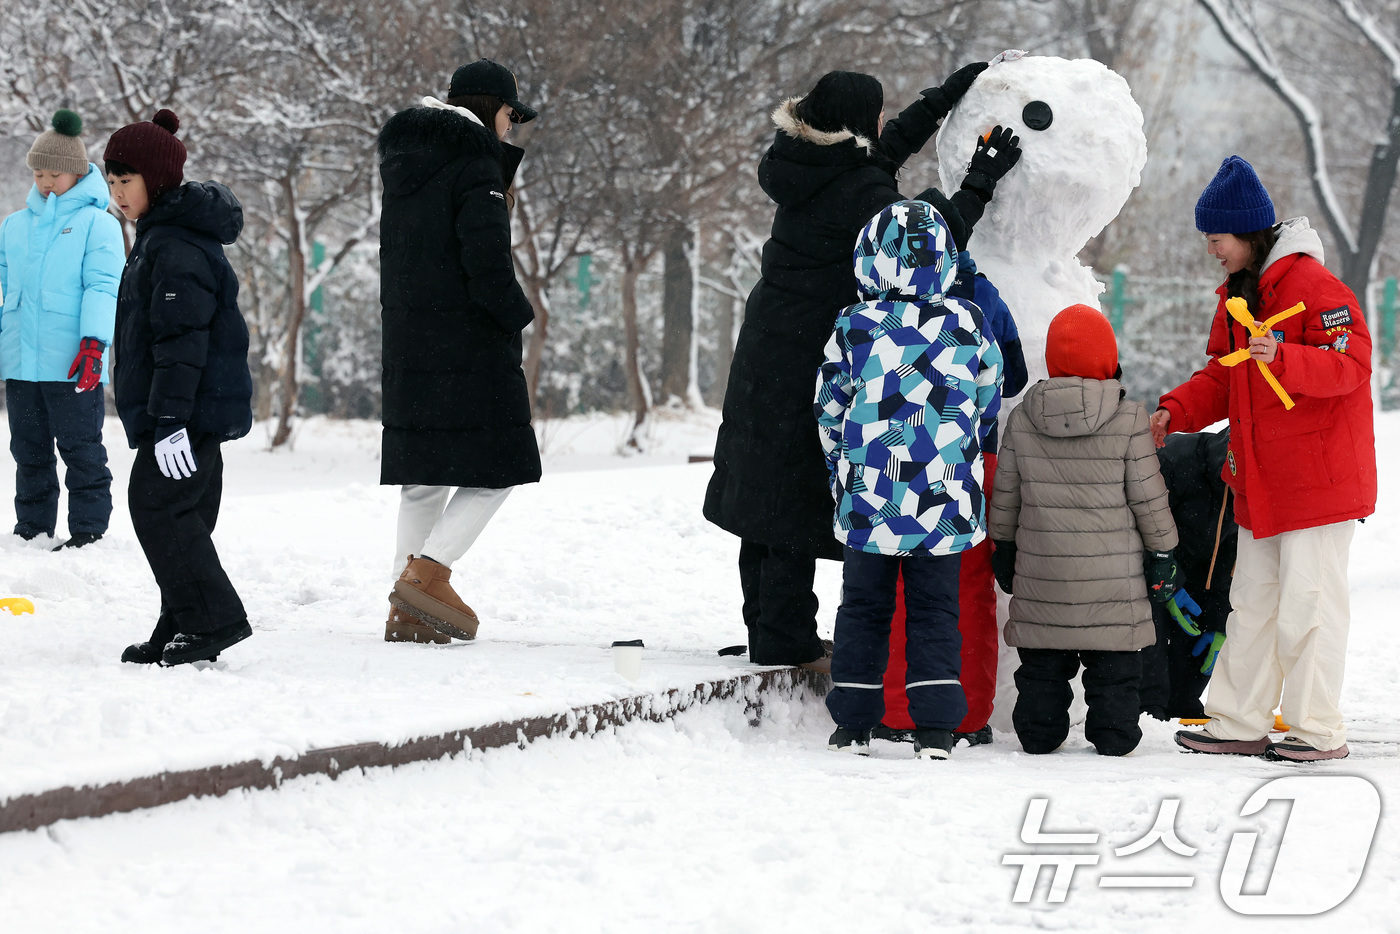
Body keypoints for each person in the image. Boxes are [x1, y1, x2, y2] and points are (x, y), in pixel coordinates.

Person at [704, 63, 1022, 669]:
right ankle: (784, 638)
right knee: (791, 499)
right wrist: (981, 180)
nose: (884, 123)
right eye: (877, 114)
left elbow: (884, 149)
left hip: (767, 344)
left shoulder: (807, 160)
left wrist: (945, 96)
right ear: (855, 122)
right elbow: (925, 239)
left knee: (763, 489)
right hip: (808, 349)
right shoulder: (859, 195)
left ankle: (765, 626)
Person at [1154, 155, 1376, 762]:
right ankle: (1238, 720)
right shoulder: (1235, 296)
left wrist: (1283, 358)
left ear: (1248, 232)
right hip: (1263, 483)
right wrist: (1174, 411)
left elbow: (1354, 365)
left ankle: (1315, 728)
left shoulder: (1314, 288)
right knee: (1252, 604)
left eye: (1216, 238)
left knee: (1310, 608)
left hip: (1320, 483)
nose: (1211, 250)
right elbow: (1225, 378)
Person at [816, 200, 1003, 760]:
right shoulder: (968, 323)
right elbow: (989, 395)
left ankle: (852, 722)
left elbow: (829, 408)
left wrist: (841, 474)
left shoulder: (854, 326)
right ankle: (938, 728)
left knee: (863, 608)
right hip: (943, 500)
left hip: (871, 497)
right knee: (935, 612)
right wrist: (960, 443)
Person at [377, 60, 539, 644]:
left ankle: (405, 606)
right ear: (487, 106)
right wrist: (519, 314)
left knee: (422, 478)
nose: (512, 128)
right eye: (510, 114)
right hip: (466, 344)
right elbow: (487, 264)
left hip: (409, 340)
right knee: (502, 466)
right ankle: (426, 574)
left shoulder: (404, 165)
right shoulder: (475, 165)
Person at [989, 304, 1178, 757]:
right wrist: (1164, 553)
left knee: (1041, 667)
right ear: (1108, 359)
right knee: (1115, 667)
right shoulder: (1128, 419)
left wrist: (1004, 547)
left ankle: (1038, 732)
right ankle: (1114, 735)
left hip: (1044, 574)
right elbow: (1148, 499)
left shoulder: (1022, 418)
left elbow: (1006, 495)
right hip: (1112, 584)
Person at [105, 109, 256, 666]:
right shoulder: (163, 237)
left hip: (187, 413)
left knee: (157, 509)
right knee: (183, 517)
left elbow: (181, 341)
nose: (118, 194)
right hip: (190, 410)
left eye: (127, 182)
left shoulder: (175, 247)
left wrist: (169, 420)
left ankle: (214, 619)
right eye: (112, 182)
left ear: (157, 179)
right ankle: (182, 625)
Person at [877, 246, 1028, 745]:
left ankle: (897, 711)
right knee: (968, 593)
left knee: (898, 591)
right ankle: (966, 714)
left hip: (891, 462)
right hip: (967, 461)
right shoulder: (981, 297)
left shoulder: (879, 296)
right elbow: (1013, 377)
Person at [0, 109, 122, 549]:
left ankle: (88, 531)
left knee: (81, 449)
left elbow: (103, 287)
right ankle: (32, 528)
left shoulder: (99, 225)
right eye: (38, 174)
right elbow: (4, 288)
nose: (46, 182)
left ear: (75, 172)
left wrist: (94, 344)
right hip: (21, 362)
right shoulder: (14, 226)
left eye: (54, 173)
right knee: (27, 451)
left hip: (72, 361)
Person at [1137, 427, 1235, 721]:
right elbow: (1137, 525)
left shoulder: (1252, 489)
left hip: (1199, 569)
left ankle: (1182, 698)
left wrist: (1220, 620)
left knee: (1199, 621)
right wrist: (1168, 582)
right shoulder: (1173, 458)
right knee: (1151, 618)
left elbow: (1233, 554)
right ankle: (1147, 704)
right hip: (1152, 565)